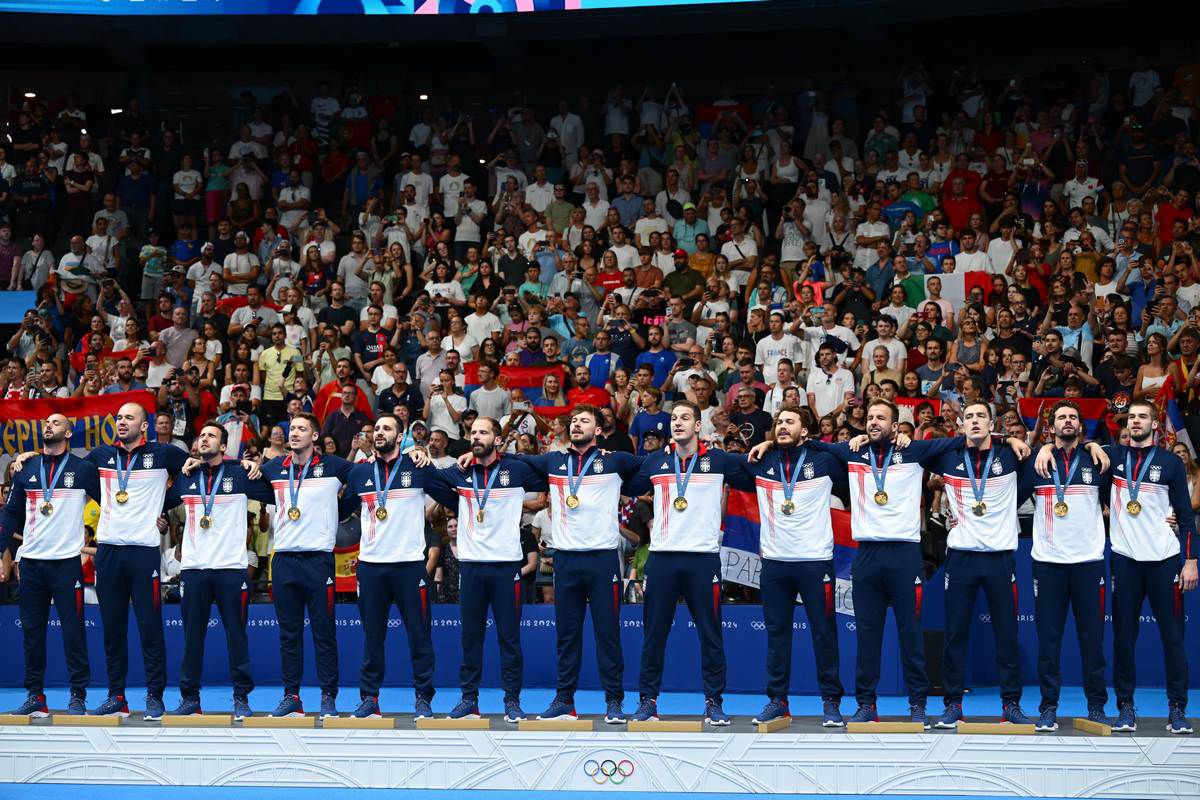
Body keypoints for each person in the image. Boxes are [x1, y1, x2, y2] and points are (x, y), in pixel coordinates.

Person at [462, 405, 642, 722]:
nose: (576, 425)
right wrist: (475, 456)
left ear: (599, 430)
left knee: (608, 635)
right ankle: (564, 701)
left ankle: (614, 702)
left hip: (602, 560)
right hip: (566, 560)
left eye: (584, 421)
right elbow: (513, 460)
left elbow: (649, 469)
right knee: (566, 637)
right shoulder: (553, 462)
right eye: (574, 421)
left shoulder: (616, 461)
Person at [624, 400, 757, 725]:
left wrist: (764, 445)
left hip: (703, 560)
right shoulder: (655, 461)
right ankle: (647, 701)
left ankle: (713, 702)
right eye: (674, 418)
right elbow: (624, 481)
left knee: (711, 635)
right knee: (654, 634)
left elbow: (757, 473)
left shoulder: (719, 460)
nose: (678, 422)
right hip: (662, 559)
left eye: (685, 418)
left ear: (698, 426)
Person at [922, 401, 1050, 728]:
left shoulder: (1010, 455)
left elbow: (1046, 453)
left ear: (992, 423)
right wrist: (984, 437)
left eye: (981, 416)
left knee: (1006, 634)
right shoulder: (949, 457)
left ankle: (1011, 704)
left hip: (1000, 558)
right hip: (960, 558)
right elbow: (920, 449)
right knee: (955, 635)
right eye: (969, 417)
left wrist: (1012, 439)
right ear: (961, 424)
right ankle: (953, 704)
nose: (975, 421)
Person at [431, 417, 548, 722]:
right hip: (471, 567)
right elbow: (429, 476)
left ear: (497, 439)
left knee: (509, 638)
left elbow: (548, 471)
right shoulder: (460, 472)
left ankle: (512, 701)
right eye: (473, 433)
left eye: (483, 432)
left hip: (506, 567)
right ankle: (469, 699)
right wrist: (419, 455)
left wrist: (505, 454)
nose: (476, 437)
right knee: (471, 638)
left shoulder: (516, 469)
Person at [341, 414, 453, 720]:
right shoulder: (360, 473)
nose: (379, 432)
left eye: (386, 428)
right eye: (376, 428)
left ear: (400, 436)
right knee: (372, 637)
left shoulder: (417, 467)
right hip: (371, 567)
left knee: (419, 636)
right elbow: (340, 510)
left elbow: (450, 495)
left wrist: (427, 460)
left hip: (409, 566)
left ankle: (423, 698)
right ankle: (369, 699)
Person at [741, 406, 848, 727]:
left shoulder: (824, 460)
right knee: (777, 636)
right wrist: (767, 445)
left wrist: (808, 442)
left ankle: (831, 702)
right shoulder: (762, 462)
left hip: (815, 563)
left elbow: (850, 454)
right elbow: (724, 463)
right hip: (775, 564)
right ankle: (778, 701)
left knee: (824, 633)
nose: (782, 426)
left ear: (805, 430)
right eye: (778, 423)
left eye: (790, 422)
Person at [1094, 400, 1194, 734]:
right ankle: (1125, 707)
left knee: (1173, 639)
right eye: (1132, 417)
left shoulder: (1170, 462)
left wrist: (1190, 560)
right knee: (1123, 639)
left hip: (1165, 560)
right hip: (1125, 561)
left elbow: (1186, 515)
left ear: (1155, 423)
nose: (1136, 421)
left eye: (1143, 417)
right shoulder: (1112, 457)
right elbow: (1079, 450)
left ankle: (1177, 709)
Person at [163, 422, 274, 720]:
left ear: (224, 446)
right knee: (192, 638)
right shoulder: (187, 476)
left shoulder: (240, 474)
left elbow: (277, 490)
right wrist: (159, 519)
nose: (204, 439)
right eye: (201, 435)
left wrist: (250, 464)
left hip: (231, 569)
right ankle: (190, 699)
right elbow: (159, 503)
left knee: (237, 637)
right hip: (194, 569)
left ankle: (241, 698)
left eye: (211, 436)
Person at [256, 412, 355, 718]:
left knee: (323, 633)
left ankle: (328, 697)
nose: (295, 433)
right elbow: (247, 477)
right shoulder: (273, 468)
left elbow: (366, 477)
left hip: (318, 560)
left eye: (302, 428)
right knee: (289, 634)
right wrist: (246, 465)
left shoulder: (334, 466)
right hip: (284, 559)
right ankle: (292, 697)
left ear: (314, 436)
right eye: (292, 428)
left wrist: (339, 510)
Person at [0, 414, 99, 717]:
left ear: (68, 433)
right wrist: (1, 552)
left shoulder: (83, 469)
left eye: (56, 423)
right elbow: (10, 514)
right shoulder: (26, 468)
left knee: (73, 633)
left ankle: (78, 696)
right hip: (31, 563)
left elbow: (110, 505)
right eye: (46, 423)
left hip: (67, 564)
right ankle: (35, 696)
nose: (48, 426)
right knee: (32, 634)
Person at [1024, 401, 1115, 732]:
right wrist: (1042, 447)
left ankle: (1097, 706)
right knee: (1048, 643)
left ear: (1080, 426)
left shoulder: (1097, 460)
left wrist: (1094, 445)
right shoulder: (1037, 463)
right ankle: (1048, 707)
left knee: (1093, 641)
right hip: (1048, 564)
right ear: (1051, 427)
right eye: (1061, 417)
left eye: (1072, 417)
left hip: (1088, 563)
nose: (1067, 421)